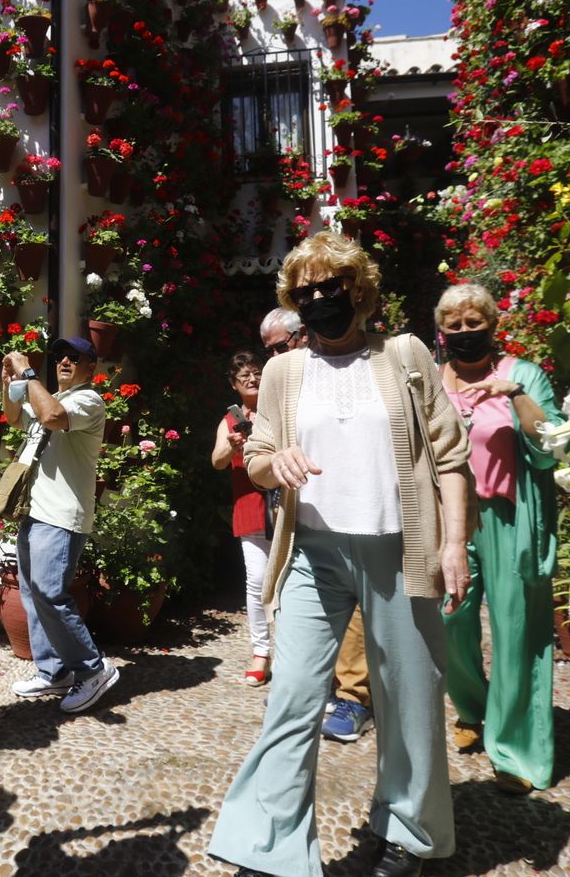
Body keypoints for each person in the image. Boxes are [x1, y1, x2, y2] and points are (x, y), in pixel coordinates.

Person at [210, 231, 471, 877]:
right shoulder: (283, 371)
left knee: (409, 697)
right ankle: (268, 846)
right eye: (306, 293)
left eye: (331, 288)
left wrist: (456, 542)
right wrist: (276, 463)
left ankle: (408, 831)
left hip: (400, 552)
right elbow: (257, 455)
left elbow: (451, 456)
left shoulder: (406, 354)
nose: (319, 300)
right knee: (293, 695)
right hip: (311, 553)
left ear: (359, 290)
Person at [435, 283, 563, 795]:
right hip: (447, 518)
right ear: (441, 331)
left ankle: (516, 750)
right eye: (455, 325)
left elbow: (550, 443)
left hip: (507, 518)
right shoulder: (427, 379)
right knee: (448, 620)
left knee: (516, 633)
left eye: (474, 323)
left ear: (492, 323)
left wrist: (516, 397)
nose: (465, 333)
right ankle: (473, 707)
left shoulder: (522, 374)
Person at [264, 306, 373, 740]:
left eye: (277, 345)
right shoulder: (285, 376)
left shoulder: (350, 367)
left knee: (353, 612)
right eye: (267, 349)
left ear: (300, 334)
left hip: (347, 508)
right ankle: (312, 688)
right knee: (294, 600)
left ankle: (353, 697)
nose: (271, 355)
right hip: (293, 506)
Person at [1, 335, 120, 715]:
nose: (65, 362)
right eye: (60, 357)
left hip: (62, 517)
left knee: (50, 594)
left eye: (75, 357)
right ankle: (54, 671)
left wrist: (29, 374)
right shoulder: (49, 397)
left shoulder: (88, 400)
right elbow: (14, 416)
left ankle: (92, 669)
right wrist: (10, 384)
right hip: (36, 511)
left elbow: (52, 417)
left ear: (91, 367)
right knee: (34, 595)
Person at [211, 352, 275, 686]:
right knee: (257, 579)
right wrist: (234, 444)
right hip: (249, 504)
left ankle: (296, 652)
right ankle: (261, 652)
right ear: (234, 385)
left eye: (256, 373)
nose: (251, 379)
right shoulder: (230, 420)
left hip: (286, 502)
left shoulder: (280, 408)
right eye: (244, 376)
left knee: (295, 582)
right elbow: (217, 462)